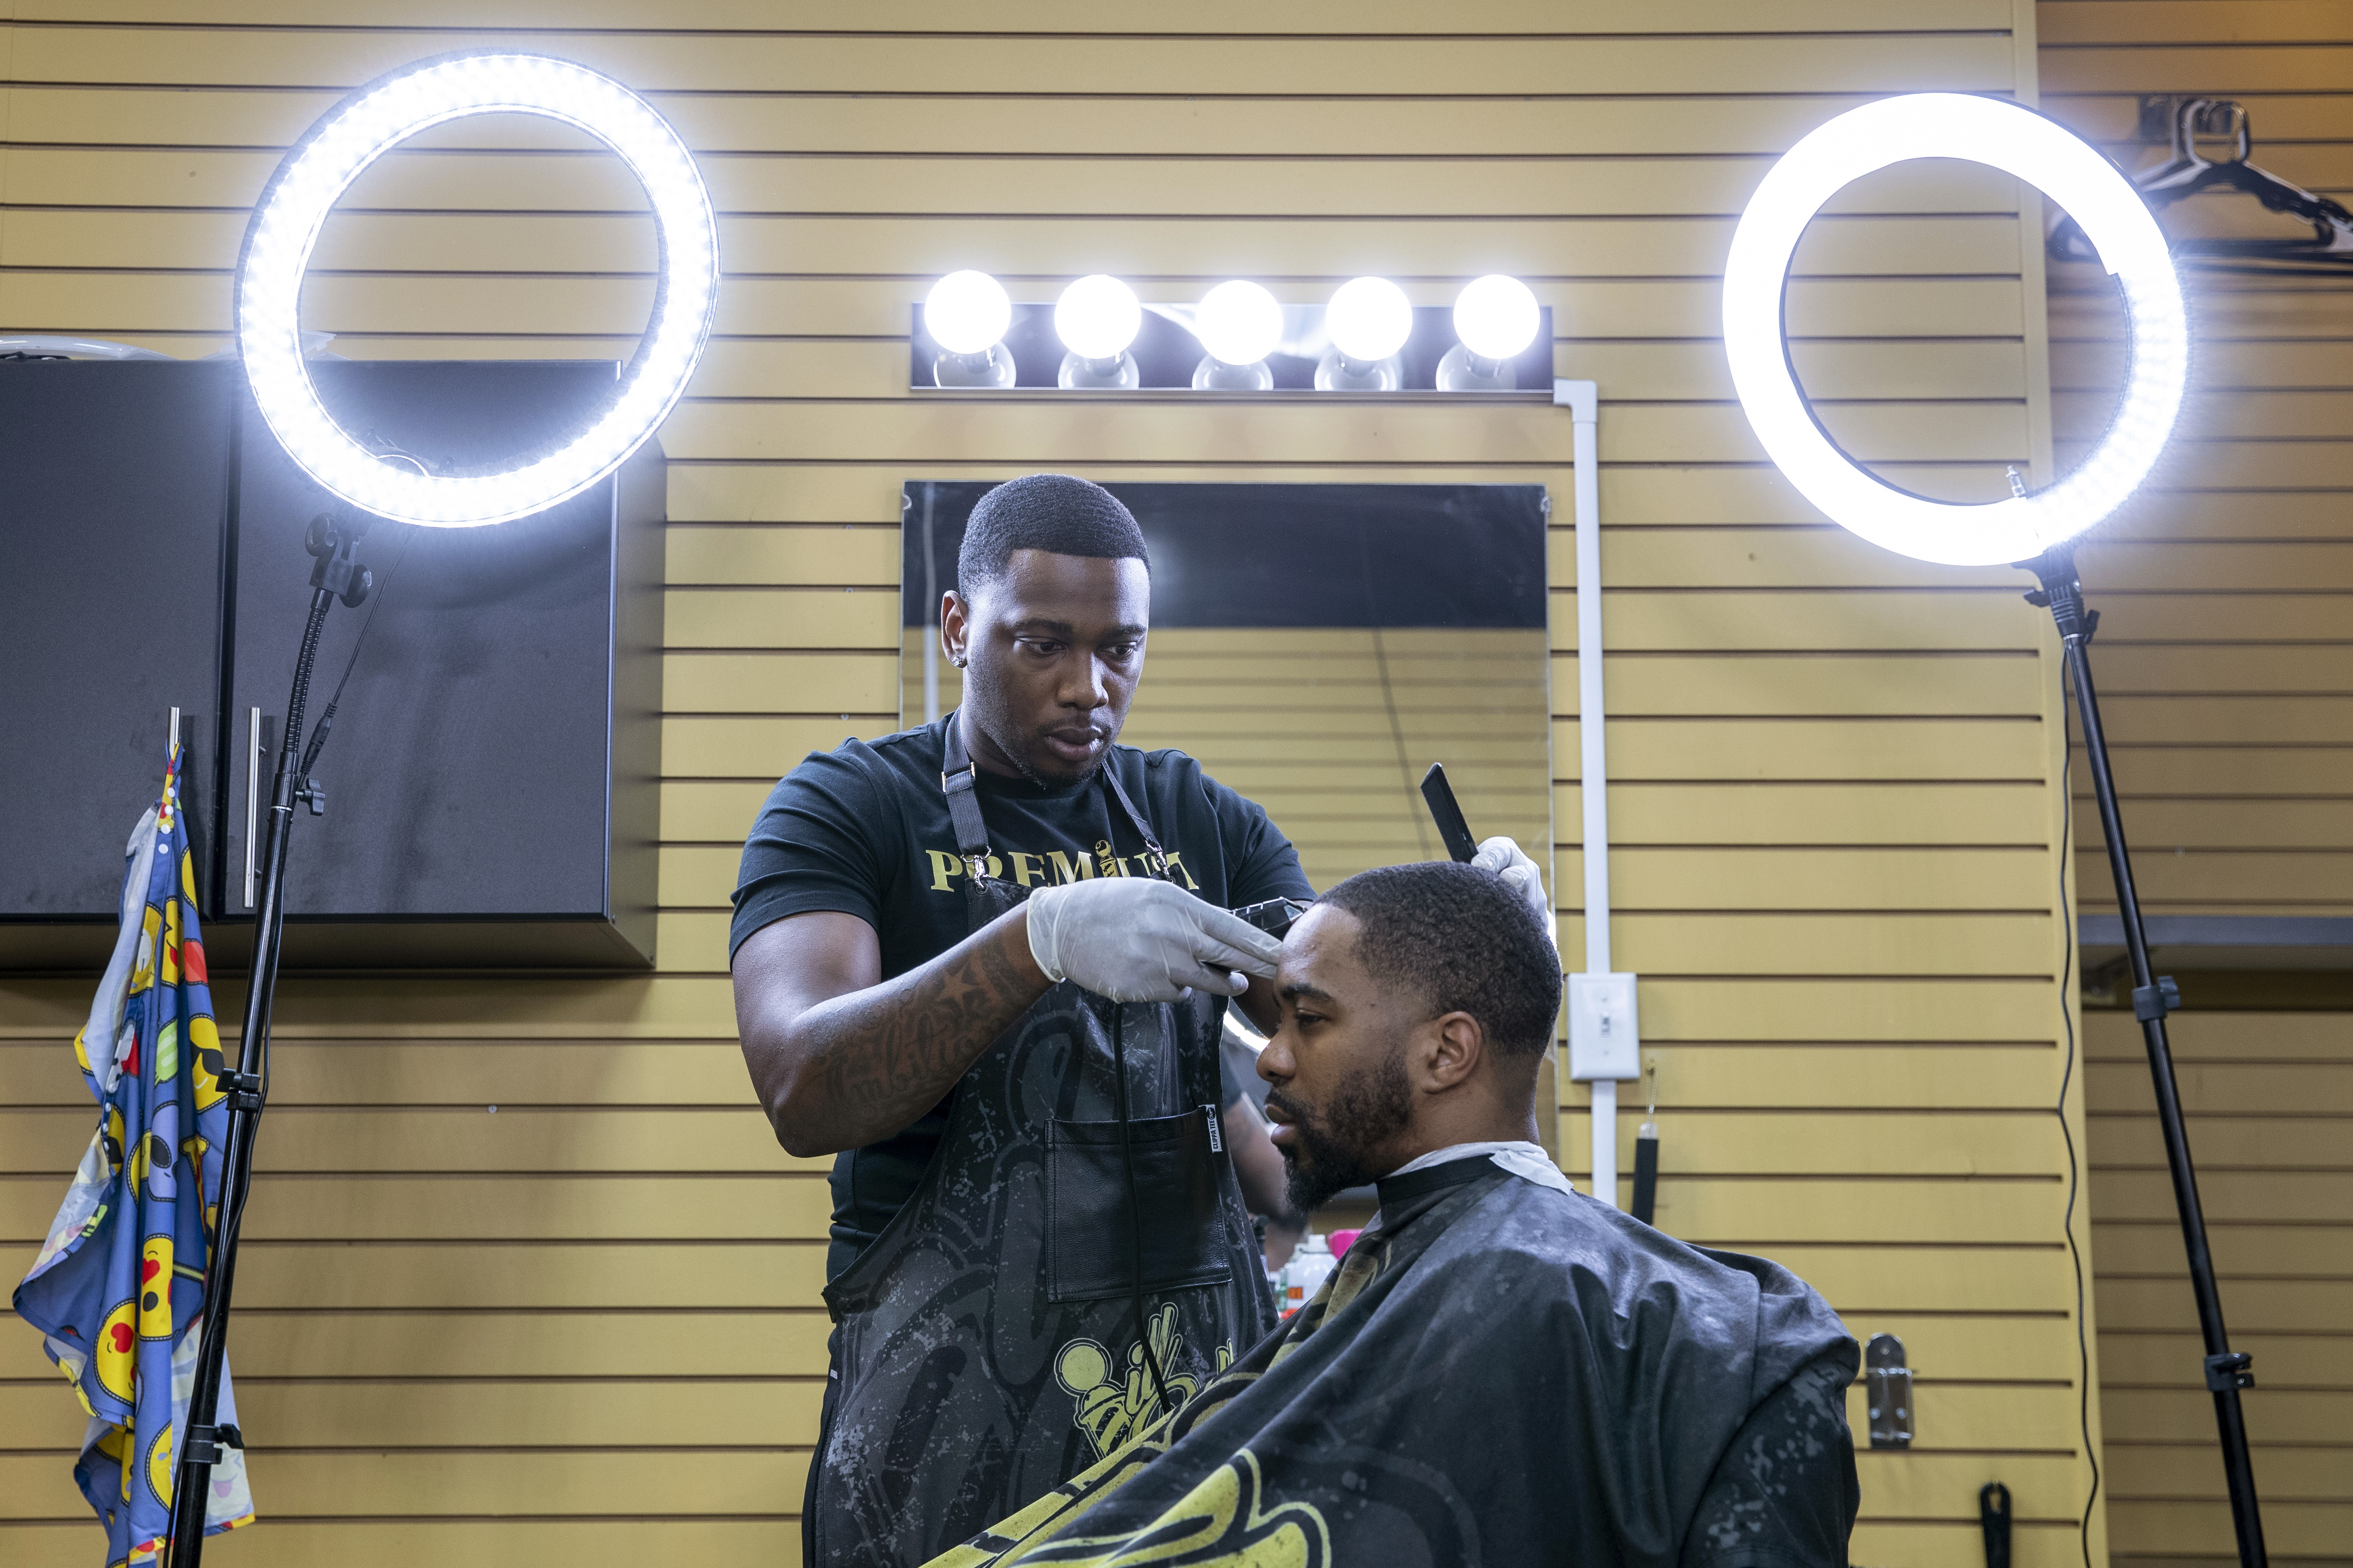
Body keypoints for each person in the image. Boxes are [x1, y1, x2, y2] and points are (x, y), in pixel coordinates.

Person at [929, 860, 1861, 1568]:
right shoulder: (1737, 1328)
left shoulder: (1541, 1294)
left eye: (1308, 1019)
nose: (1270, 1060)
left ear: (1447, 1052)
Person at [730, 474, 1320, 1568]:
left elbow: (1328, 1066)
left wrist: (1467, 952)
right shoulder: (849, 806)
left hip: (1192, 1423)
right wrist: (1031, 941)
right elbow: (800, 1089)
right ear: (958, 626)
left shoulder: (1204, 821)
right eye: (1041, 643)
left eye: (1120, 650)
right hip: (939, 1428)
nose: (1088, 687)